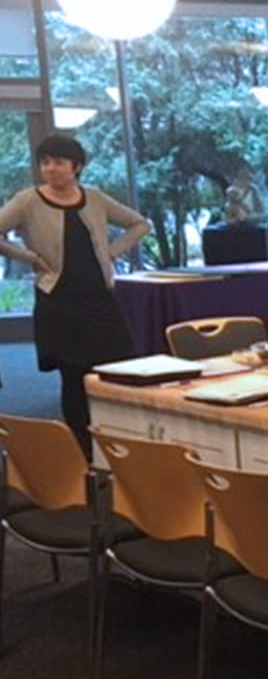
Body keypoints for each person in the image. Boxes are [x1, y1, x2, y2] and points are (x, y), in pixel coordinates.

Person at [0, 135, 150, 457]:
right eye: (45, 163)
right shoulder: (28, 200)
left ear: (76, 167)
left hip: (98, 295)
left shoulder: (93, 197)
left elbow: (140, 224)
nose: (50, 169)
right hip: (59, 300)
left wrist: (113, 251)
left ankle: (121, 445)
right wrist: (28, 257)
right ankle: (84, 452)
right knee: (75, 377)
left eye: (58, 162)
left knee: (118, 367)